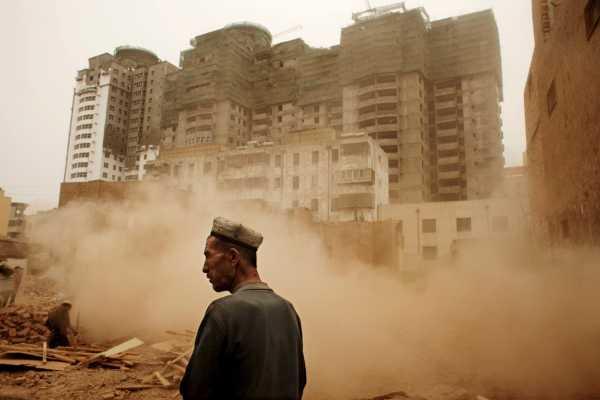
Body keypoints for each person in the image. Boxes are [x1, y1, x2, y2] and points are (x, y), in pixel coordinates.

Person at [180, 217, 306, 400]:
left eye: (208, 256)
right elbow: (299, 383)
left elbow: (195, 391)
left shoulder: (223, 313)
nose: (204, 268)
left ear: (233, 257)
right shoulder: (288, 310)